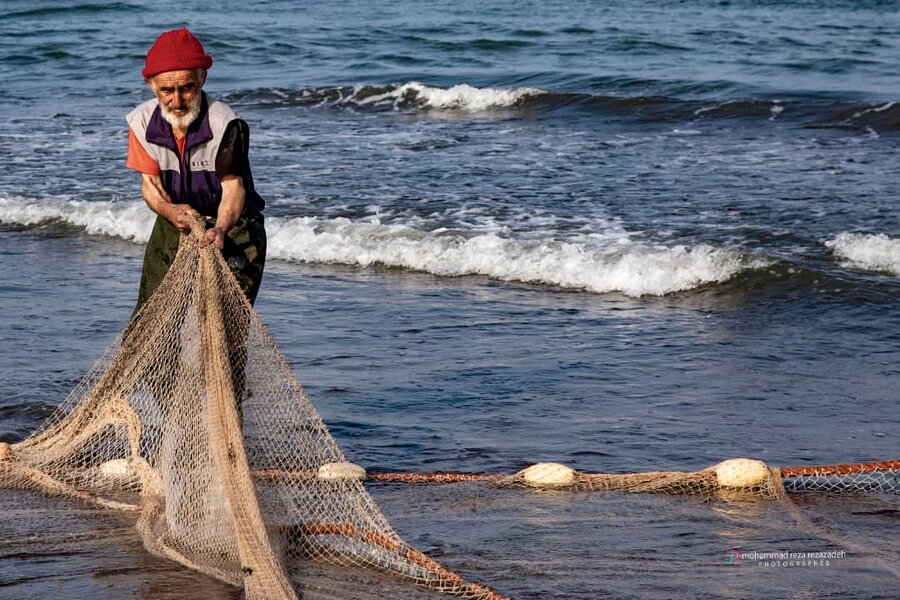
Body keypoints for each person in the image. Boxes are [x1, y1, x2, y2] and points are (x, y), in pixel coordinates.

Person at [126, 28, 266, 314]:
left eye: (186, 87)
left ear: (202, 77)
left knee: (223, 324)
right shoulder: (141, 122)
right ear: (151, 84)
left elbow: (233, 188)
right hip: (174, 220)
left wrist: (221, 228)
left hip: (234, 227)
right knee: (153, 317)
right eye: (167, 90)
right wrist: (170, 211)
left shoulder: (225, 123)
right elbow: (150, 186)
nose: (176, 101)